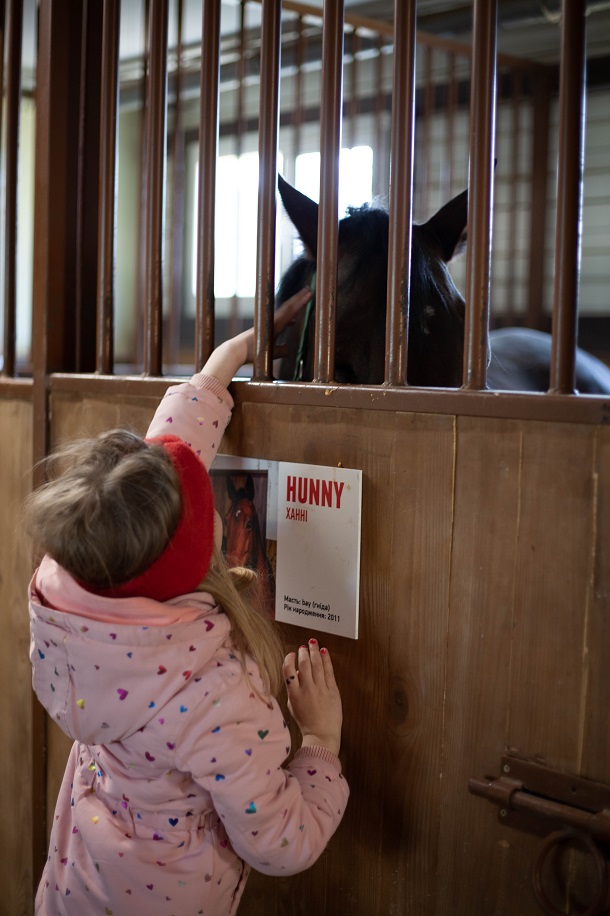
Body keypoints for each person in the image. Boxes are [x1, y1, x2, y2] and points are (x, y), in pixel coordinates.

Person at [27, 289, 348, 916]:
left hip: (76, 887)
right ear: (200, 551)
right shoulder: (211, 698)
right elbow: (282, 843)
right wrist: (320, 741)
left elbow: (146, 491)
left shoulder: (69, 600)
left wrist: (218, 368)